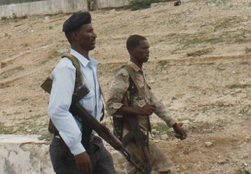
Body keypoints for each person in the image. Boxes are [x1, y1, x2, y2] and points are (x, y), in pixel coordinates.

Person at [47, 11, 117, 174]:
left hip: (92, 144)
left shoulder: (89, 66)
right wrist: (77, 149)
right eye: (89, 31)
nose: (95, 35)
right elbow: (57, 110)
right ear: (76, 35)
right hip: (70, 150)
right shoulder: (67, 67)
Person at [107, 35, 187, 174]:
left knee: (136, 169)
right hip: (130, 133)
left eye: (148, 48)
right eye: (143, 48)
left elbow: (153, 101)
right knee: (165, 168)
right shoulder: (124, 74)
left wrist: (173, 124)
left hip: (139, 132)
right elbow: (111, 105)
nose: (147, 51)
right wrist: (138, 111)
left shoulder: (139, 73)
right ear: (132, 50)